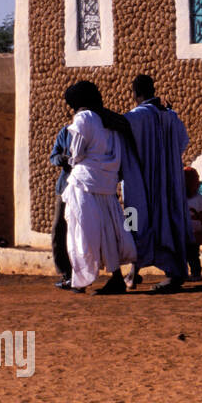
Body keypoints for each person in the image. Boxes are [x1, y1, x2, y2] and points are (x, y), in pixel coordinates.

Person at [61, 81, 138, 294]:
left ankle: (81, 280)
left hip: (84, 183)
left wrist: (69, 160)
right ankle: (115, 278)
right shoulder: (111, 120)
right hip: (106, 184)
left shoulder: (84, 118)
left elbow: (76, 153)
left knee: (81, 232)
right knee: (108, 232)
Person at [123, 74, 191, 292]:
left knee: (133, 223)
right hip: (169, 186)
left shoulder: (135, 117)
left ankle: (134, 272)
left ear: (135, 93)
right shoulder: (171, 116)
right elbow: (183, 143)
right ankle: (170, 272)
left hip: (140, 186)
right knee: (170, 224)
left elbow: (122, 137)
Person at [49, 123, 74, 288]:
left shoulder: (95, 129)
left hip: (85, 188)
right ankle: (66, 272)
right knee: (58, 230)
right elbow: (53, 157)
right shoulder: (65, 132)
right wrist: (62, 159)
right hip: (64, 188)